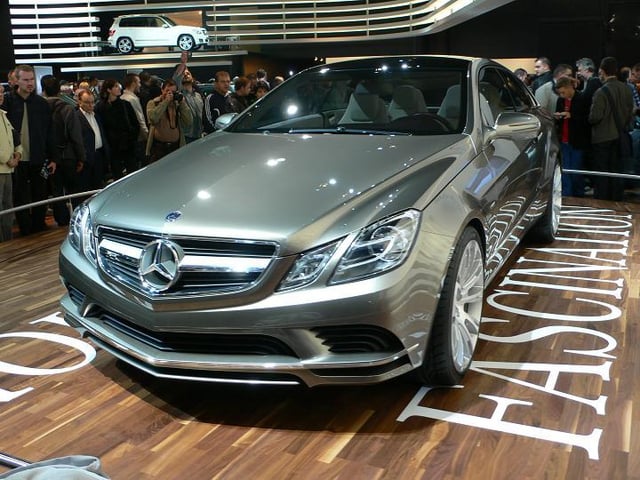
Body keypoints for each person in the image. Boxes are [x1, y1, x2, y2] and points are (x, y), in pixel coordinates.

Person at [3, 64, 54, 235]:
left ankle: (39, 225)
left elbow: (49, 132)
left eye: (32, 79)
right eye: (25, 80)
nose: (30, 83)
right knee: (20, 195)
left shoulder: (41, 104)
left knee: (40, 192)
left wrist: (53, 157)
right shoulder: (8, 102)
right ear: (16, 81)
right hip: (15, 159)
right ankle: (24, 227)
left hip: (38, 156)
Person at [41, 75, 86, 226]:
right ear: (59, 90)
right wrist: (81, 157)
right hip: (68, 155)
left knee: (56, 190)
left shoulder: (39, 108)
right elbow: (76, 135)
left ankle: (61, 219)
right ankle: (77, 219)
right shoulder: (67, 108)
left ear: (43, 89)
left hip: (49, 157)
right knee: (74, 189)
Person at [588, 57, 635, 201]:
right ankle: (616, 199)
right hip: (620, 135)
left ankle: (603, 201)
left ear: (602, 71)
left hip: (602, 138)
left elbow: (595, 117)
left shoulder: (601, 92)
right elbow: (631, 112)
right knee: (616, 171)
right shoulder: (626, 89)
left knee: (602, 172)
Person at [95, 78, 139, 180]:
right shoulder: (101, 107)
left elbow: (135, 123)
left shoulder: (125, 104)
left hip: (128, 144)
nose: (119, 88)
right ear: (108, 90)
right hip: (113, 147)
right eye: (115, 86)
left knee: (132, 173)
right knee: (117, 174)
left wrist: (132, 137)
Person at [554, 76, 590, 197]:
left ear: (569, 88)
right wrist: (558, 116)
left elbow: (588, 120)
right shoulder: (560, 101)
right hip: (564, 140)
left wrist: (571, 116)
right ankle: (567, 195)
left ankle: (579, 195)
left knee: (576, 170)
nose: (562, 95)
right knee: (565, 171)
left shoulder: (582, 99)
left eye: (563, 92)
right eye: (560, 93)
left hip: (577, 141)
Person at [146, 78, 192, 163]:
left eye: (173, 92)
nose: (170, 94)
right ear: (162, 90)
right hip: (159, 148)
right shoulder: (153, 103)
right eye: (167, 91)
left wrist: (182, 103)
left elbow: (189, 121)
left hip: (176, 147)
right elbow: (153, 119)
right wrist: (166, 102)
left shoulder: (177, 104)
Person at [0, 84, 22, 241]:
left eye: (1, 92)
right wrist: (8, 159)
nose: (1, 95)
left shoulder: (3, 115)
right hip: (3, 167)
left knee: (8, 206)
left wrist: (18, 154)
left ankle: (7, 240)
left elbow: (15, 137)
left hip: (8, 169)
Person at [76, 89, 109, 192]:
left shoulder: (96, 115)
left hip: (99, 156)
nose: (91, 105)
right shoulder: (76, 117)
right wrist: (81, 159)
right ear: (79, 102)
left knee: (98, 187)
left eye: (92, 102)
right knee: (85, 189)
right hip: (85, 159)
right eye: (87, 102)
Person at [120, 73, 149, 170]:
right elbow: (140, 119)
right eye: (139, 82)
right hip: (138, 139)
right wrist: (147, 136)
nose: (140, 85)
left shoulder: (122, 98)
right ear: (133, 83)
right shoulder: (132, 99)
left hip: (128, 140)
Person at [178, 69, 204, 143]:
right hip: (185, 135)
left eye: (188, 73)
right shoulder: (179, 95)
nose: (186, 75)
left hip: (199, 135)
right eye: (183, 74)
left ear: (192, 78)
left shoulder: (198, 95)